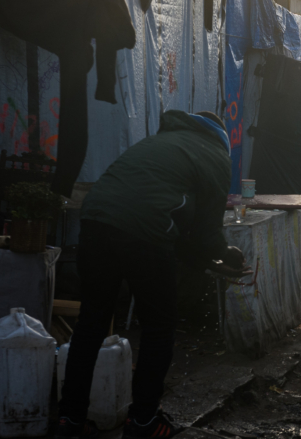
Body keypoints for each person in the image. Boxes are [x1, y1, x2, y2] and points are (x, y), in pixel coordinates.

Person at [56, 110, 250, 439]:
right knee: (159, 328)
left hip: (94, 221)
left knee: (91, 324)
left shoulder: (159, 141)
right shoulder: (216, 154)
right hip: (144, 233)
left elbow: (175, 227)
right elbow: (204, 234)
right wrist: (225, 255)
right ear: (221, 138)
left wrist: (205, 259)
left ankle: (70, 420)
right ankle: (143, 420)